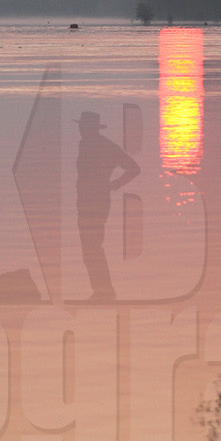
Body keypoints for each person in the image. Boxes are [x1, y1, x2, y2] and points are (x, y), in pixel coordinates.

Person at [75, 111, 140, 302]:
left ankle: (105, 292)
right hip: (86, 202)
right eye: (80, 126)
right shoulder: (85, 143)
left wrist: (113, 185)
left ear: (90, 128)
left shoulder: (105, 146)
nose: (80, 130)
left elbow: (134, 168)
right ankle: (101, 291)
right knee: (90, 247)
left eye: (83, 126)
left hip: (96, 202)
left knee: (92, 246)